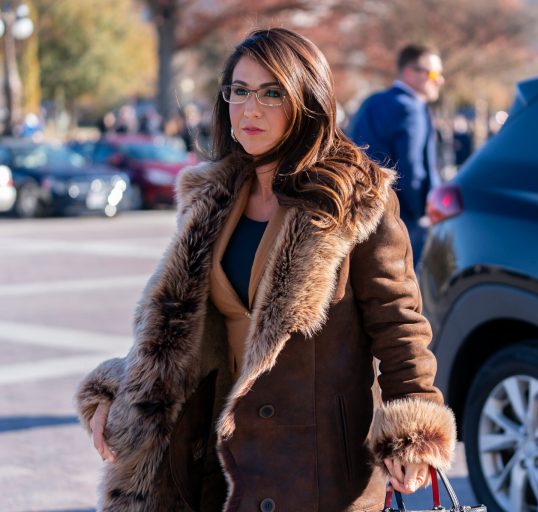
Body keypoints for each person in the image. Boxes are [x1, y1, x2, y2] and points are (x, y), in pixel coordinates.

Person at [75, 28, 456, 512]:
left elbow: (399, 324)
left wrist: (412, 435)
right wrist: (119, 390)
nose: (250, 109)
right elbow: (174, 325)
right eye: (239, 91)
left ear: (306, 100)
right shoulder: (209, 197)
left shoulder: (353, 199)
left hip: (316, 468)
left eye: (272, 93)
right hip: (214, 459)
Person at [349, 44, 445, 263]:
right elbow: (413, 169)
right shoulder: (412, 108)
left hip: (362, 211)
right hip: (402, 218)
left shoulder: (372, 101)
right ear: (410, 73)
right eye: (434, 74)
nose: (440, 80)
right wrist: (420, 213)